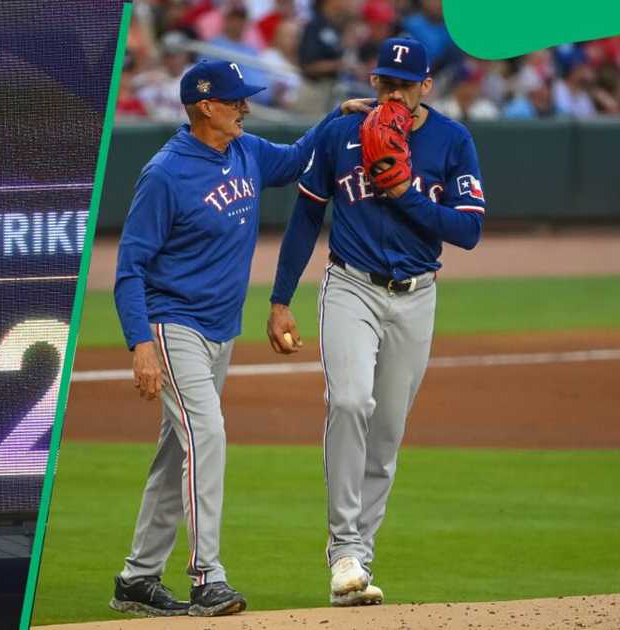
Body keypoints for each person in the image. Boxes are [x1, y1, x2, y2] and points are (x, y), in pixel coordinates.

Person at [109, 58, 368, 618]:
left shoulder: (247, 152)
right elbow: (129, 266)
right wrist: (140, 344)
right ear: (206, 106)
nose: (245, 107)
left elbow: (298, 158)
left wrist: (333, 118)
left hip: (219, 330)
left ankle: (136, 577)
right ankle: (208, 577)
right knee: (208, 437)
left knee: (176, 452)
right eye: (235, 101)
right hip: (172, 322)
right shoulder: (165, 173)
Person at [267, 37, 485, 607]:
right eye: (385, 81)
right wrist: (280, 298)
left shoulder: (452, 139)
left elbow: (467, 231)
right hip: (350, 285)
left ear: (425, 88)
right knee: (349, 403)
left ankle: (358, 560)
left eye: (404, 84)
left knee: (386, 434)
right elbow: (306, 216)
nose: (393, 92)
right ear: (373, 83)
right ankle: (342, 549)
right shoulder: (343, 134)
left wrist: (404, 194)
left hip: (417, 297)